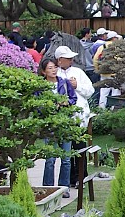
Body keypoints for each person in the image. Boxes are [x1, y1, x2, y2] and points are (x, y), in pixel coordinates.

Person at [54, 45, 95, 187]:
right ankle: (68, 178)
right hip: (62, 118)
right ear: (60, 60)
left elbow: (90, 91)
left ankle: (81, 177)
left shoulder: (78, 72)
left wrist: (77, 86)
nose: (71, 60)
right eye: (67, 58)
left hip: (78, 116)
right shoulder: (54, 73)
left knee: (79, 147)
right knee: (66, 151)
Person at [38, 58, 77, 196]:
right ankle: (48, 188)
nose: (53, 70)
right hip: (49, 125)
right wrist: (48, 106)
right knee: (50, 159)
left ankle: (64, 188)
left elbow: (73, 98)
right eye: (49, 68)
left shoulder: (64, 83)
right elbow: (36, 105)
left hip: (65, 123)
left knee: (66, 159)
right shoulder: (40, 86)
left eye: (54, 67)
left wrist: (66, 103)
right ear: (43, 71)